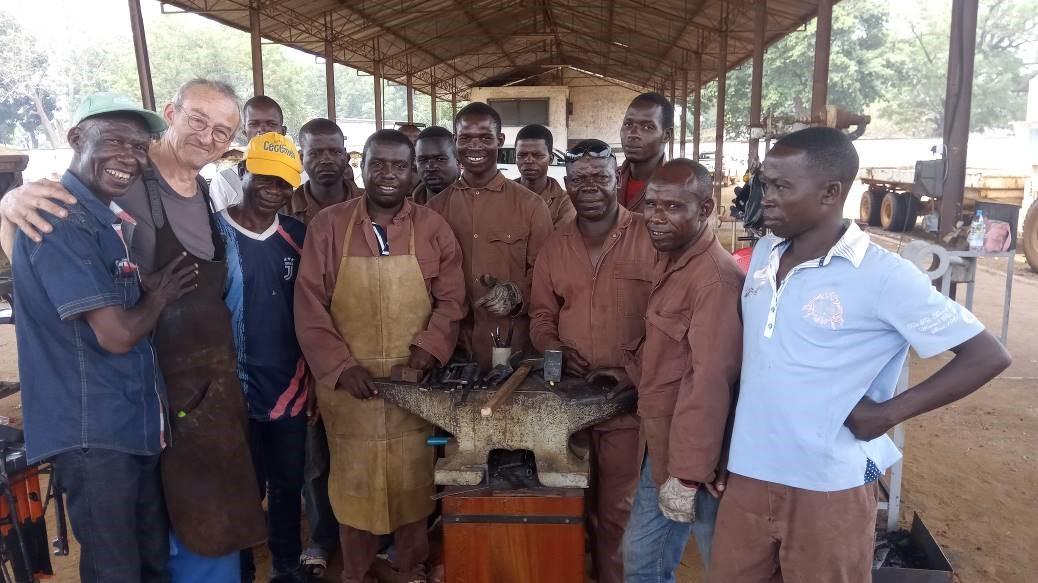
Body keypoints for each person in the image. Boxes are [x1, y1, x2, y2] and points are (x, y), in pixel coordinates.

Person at [707, 127, 1012, 583]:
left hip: (827, 485)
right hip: (749, 474)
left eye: (781, 187)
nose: (765, 198)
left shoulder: (884, 277)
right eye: (765, 184)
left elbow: (986, 355)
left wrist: (888, 413)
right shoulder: (766, 254)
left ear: (831, 192)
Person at [1, 79, 266, 582]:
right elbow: (34, 243)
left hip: (173, 403)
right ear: (172, 113)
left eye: (223, 130)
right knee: (126, 557)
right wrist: (10, 202)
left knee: (176, 544)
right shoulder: (87, 201)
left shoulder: (197, 196)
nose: (209, 137)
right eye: (198, 121)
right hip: (110, 409)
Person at [12, 92, 195, 583]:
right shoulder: (59, 217)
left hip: (130, 425)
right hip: (94, 432)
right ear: (76, 139)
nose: (128, 158)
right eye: (113, 141)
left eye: (138, 147)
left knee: (150, 559)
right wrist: (156, 298)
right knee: (116, 569)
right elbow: (115, 335)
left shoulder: (104, 219)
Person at [294, 129, 467, 583]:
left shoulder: (433, 228)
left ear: (412, 173)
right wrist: (340, 366)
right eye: (378, 164)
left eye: (398, 166)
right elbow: (309, 303)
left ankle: (410, 568)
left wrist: (428, 352)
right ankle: (355, 572)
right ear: (362, 167)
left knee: (413, 486)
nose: (388, 174)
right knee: (354, 488)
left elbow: (452, 301)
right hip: (351, 392)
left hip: (414, 388)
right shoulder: (329, 226)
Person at [603, 159, 743, 582]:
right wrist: (631, 375)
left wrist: (687, 475)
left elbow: (711, 382)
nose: (655, 218)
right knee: (642, 561)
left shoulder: (714, 281)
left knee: (719, 563)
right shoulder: (673, 259)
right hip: (660, 446)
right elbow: (670, 352)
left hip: (698, 462)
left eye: (672, 207)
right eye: (651, 205)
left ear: (704, 210)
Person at [529, 140, 653, 583]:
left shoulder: (650, 235)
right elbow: (542, 313)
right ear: (567, 185)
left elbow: (672, 319)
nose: (590, 188)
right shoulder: (555, 245)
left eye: (599, 177)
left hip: (628, 404)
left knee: (618, 511)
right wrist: (551, 349)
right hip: (569, 403)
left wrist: (633, 370)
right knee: (567, 505)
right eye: (579, 179)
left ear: (616, 179)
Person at [216, 132, 308, 583]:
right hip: (230, 389)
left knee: (288, 483)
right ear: (242, 173)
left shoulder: (296, 236)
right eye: (265, 178)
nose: (274, 189)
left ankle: (287, 564)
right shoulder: (213, 235)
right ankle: (241, 567)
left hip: (289, 384)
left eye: (284, 183)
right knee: (241, 487)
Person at [286, 117, 363, 578]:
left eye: (333, 151)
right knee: (313, 456)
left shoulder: (369, 205)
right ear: (302, 156)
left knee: (360, 449)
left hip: (364, 346)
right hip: (301, 345)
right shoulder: (281, 207)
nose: (325, 160)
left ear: (346, 154)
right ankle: (320, 535)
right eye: (315, 152)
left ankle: (366, 533)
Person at [426, 103, 553, 370]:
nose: (475, 146)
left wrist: (518, 295)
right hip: (450, 351)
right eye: (466, 138)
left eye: (485, 137)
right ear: (454, 141)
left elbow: (547, 275)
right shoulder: (434, 210)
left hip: (512, 350)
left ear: (500, 141)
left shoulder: (531, 207)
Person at [209, 95, 287, 212]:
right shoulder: (224, 180)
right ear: (244, 132)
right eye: (254, 124)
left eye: (271, 124)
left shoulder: (299, 175)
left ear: (283, 131)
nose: (262, 130)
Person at [289, 118, 363, 225]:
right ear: (301, 159)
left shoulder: (370, 203)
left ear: (346, 157)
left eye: (336, 152)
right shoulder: (284, 208)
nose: (326, 160)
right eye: (315, 153)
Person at [618, 92, 672, 212]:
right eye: (628, 124)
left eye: (647, 127)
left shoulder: (680, 188)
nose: (633, 134)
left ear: (666, 135)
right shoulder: (608, 181)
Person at [514, 124, 575, 227]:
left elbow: (559, 240)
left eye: (538, 155)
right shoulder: (502, 196)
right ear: (515, 157)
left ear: (550, 159)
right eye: (522, 155)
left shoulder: (564, 203)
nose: (529, 160)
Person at [411, 126, 461, 205]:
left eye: (440, 159)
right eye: (422, 160)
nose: (430, 168)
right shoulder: (404, 209)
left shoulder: (474, 206)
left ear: (458, 161)